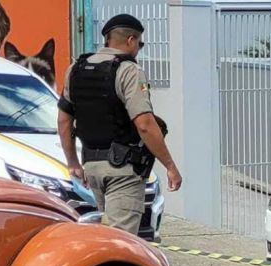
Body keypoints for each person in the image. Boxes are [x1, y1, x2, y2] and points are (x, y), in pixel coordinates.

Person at [57, 14, 182, 235]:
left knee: (105, 237)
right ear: (131, 40)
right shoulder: (128, 70)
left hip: (92, 167)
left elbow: (64, 120)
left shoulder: (75, 69)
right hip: (123, 169)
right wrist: (170, 166)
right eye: (140, 43)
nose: (138, 49)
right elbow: (144, 124)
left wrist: (73, 162)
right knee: (119, 242)